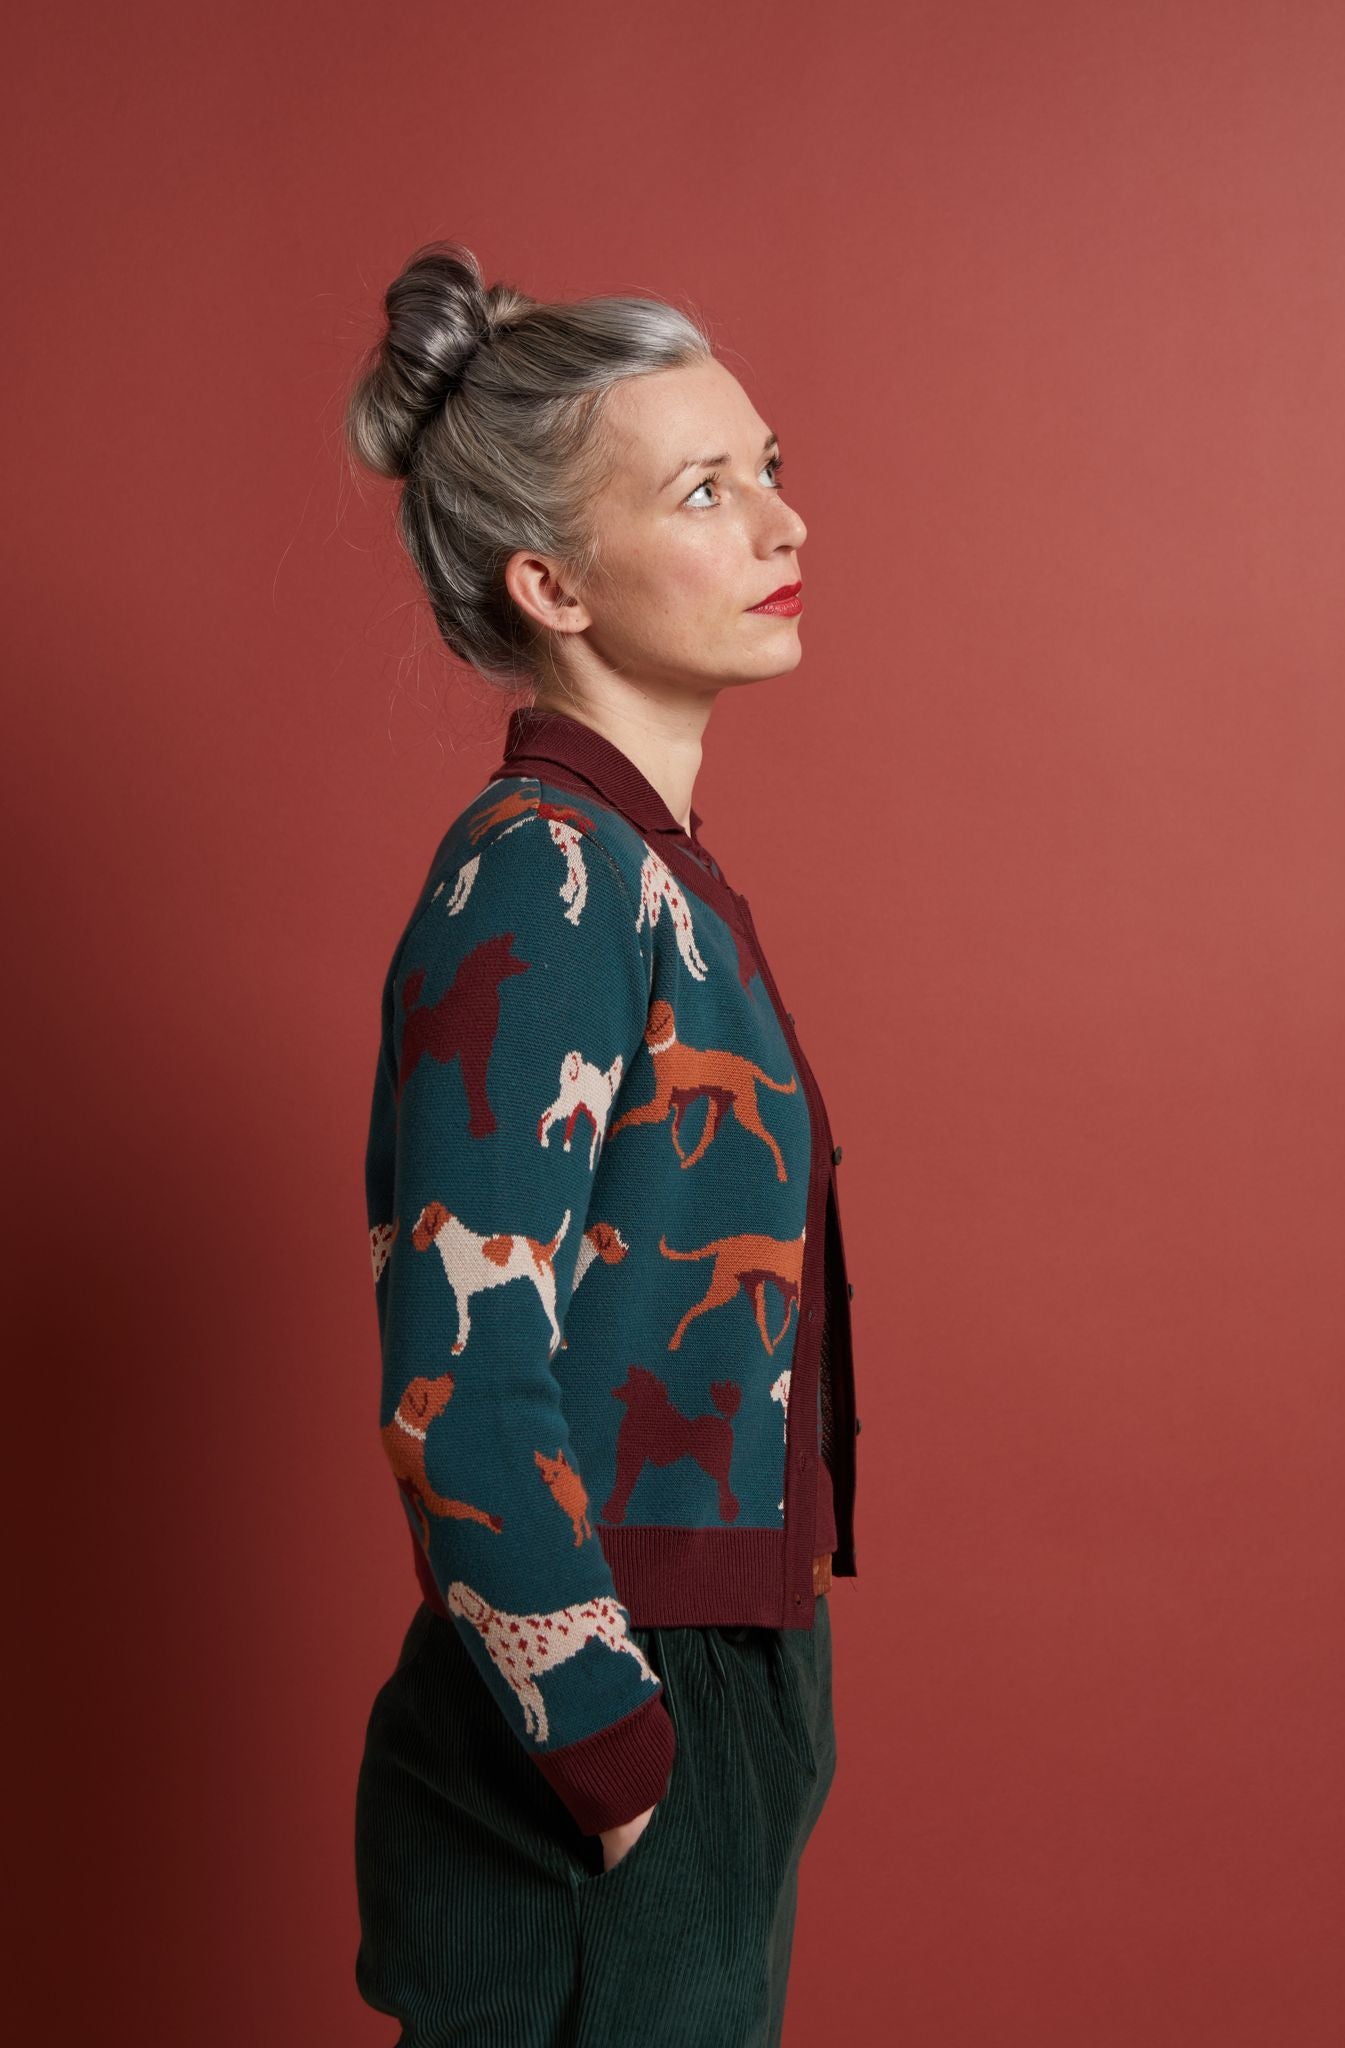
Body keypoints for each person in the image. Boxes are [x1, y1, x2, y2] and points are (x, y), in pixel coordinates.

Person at [344, 239, 860, 2047]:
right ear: (549, 582)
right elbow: (460, 1379)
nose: (783, 523)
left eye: (768, 467)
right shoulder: (544, 879)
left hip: (702, 1673)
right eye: (706, 492)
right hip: (606, 1695)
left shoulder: (641, 872)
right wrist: (619, 1754)